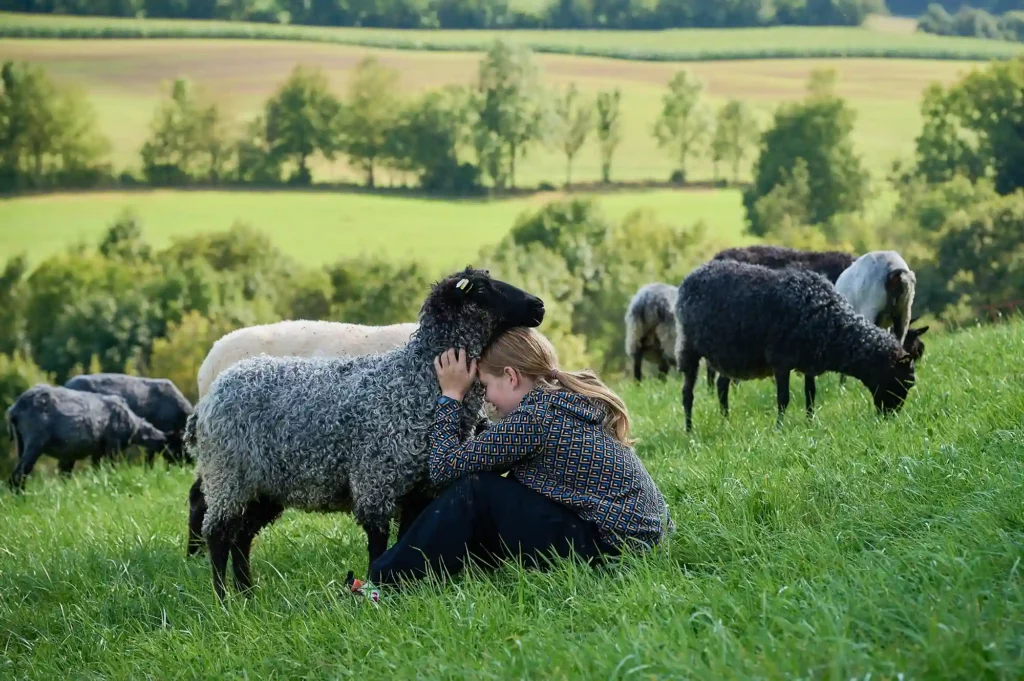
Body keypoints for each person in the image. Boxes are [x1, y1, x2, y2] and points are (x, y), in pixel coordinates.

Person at [349, 327, 673, 597]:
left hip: (613, 548)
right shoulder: (558, 402)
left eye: (487, 386)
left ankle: (381, 585)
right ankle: (428, 573)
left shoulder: (533, 418)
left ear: (512, 376)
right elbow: (495, 453)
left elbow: (442, 467)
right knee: (491, 495)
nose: (487, 398)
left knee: (476, 492)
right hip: (641, 541)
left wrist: (451, 395)